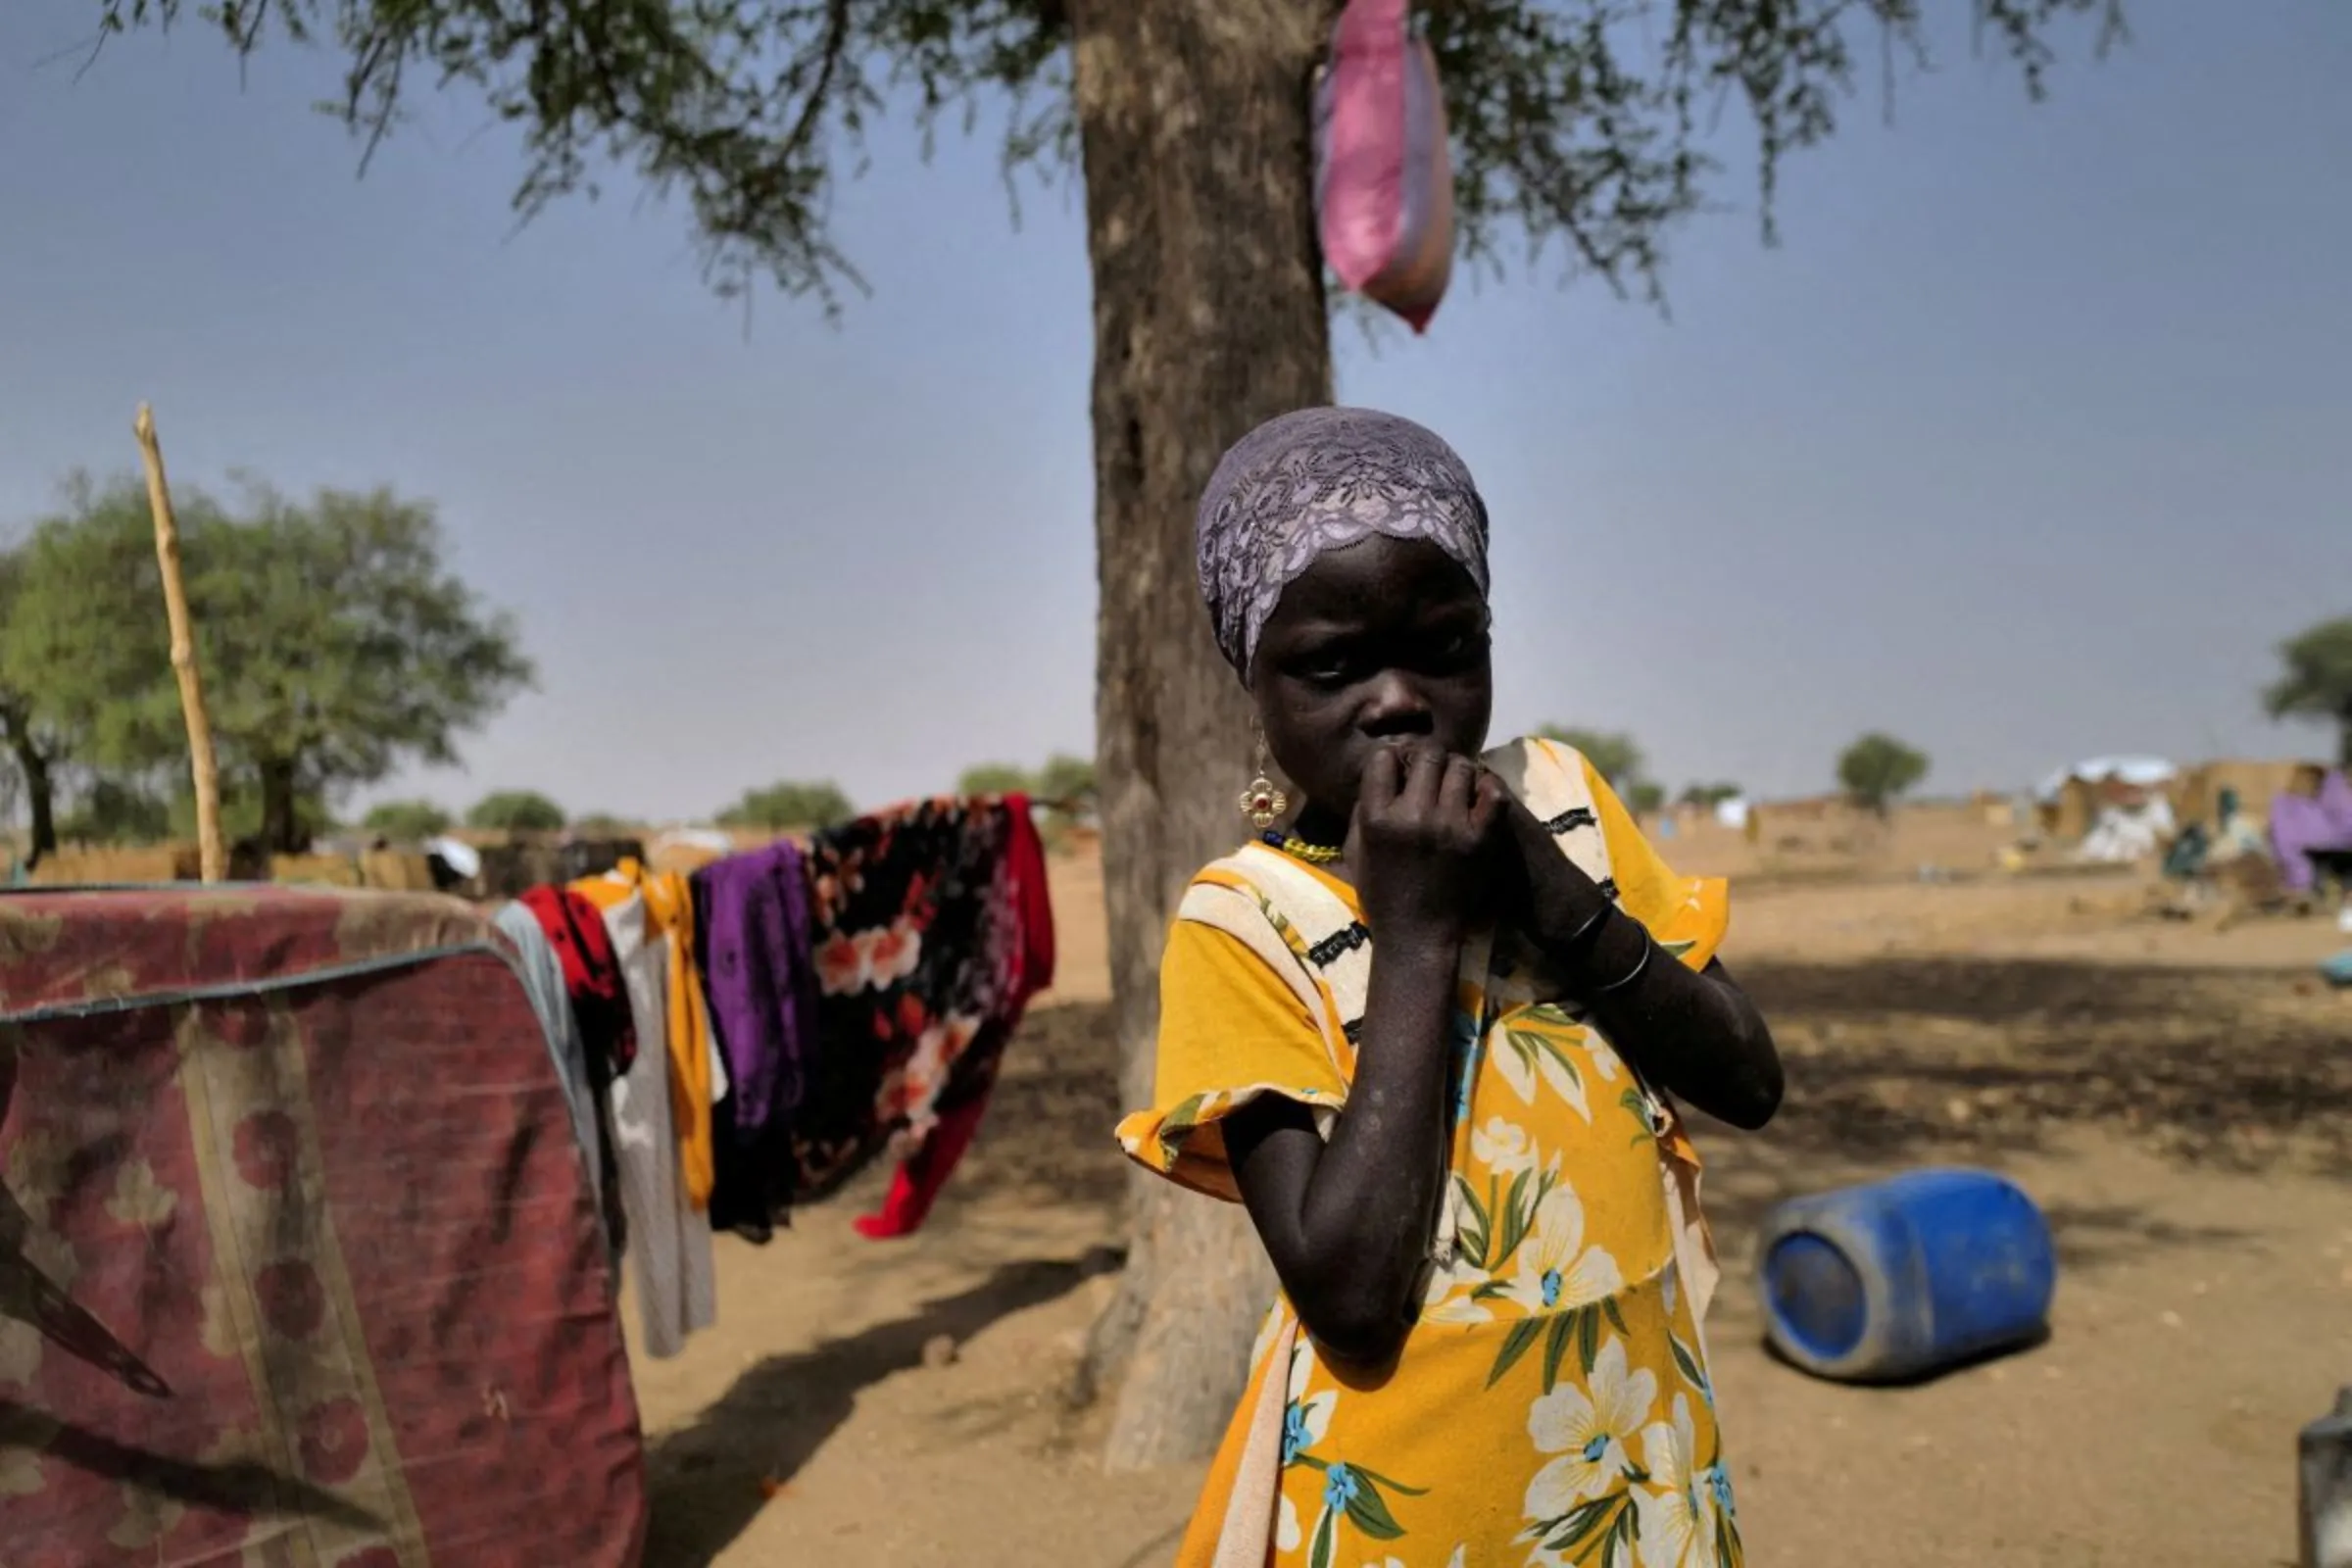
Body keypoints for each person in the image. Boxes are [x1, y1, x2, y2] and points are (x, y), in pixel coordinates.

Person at [1118, 407, 1783, 1568]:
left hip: (1635, 1450)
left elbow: (1747, 1076)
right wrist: (1416, 938)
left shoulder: (1564, 799)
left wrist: (1551, 889)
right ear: (1252, 676)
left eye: (1444, 645)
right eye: (1331, 664)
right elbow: (1354, 1301)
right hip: (1421, 1504)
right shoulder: (1244, 923)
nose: (1396, 700)